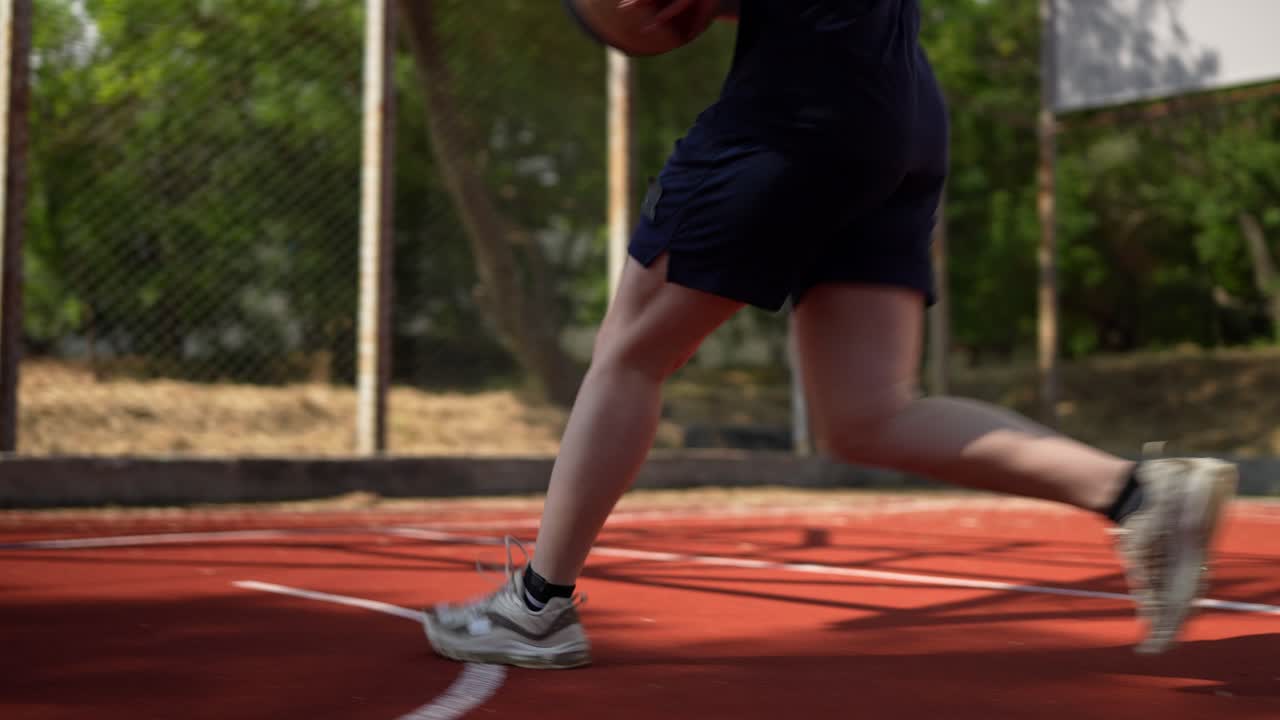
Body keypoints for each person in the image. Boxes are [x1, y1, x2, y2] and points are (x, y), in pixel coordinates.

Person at [423, 0, 1237, 669]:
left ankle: (537, 605)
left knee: (631, 354)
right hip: (896, 103)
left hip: (801, 98)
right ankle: (1137, 495)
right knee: (865, 413)